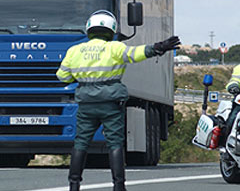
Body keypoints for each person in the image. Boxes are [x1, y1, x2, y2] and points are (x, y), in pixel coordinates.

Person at [56, 10, 180, 191]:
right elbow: (136, 53)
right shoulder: (115, 47)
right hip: (111, 102)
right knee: (115, 143)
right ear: (111, 30)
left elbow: (62, 77)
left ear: (89, 29)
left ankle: (74, 185)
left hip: (86, 104)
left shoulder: (75, 50)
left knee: (81, 142)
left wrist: (81, 77)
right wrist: (158, 47)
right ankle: (118, 186)